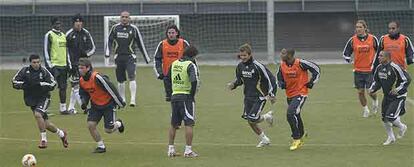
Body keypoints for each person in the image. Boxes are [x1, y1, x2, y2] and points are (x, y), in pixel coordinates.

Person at [12, 54, 68, 149]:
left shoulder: (44, 71)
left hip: (44, 97)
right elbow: (14, 82)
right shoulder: (24, 71)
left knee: (38, 114)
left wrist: (40, 84)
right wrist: (25, 85)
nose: (36, 64)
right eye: (34, 62)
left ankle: (44, 140)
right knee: (46, 124)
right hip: (31, 100)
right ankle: (62, 134)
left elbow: (53, 83)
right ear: (30, 63)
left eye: (38, 62)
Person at [226, 44, 276, 148]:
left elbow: (271, 78)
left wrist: (271, 94)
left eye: (245, 55)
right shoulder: (240, 66)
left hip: (259, 97)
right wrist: (233, 85)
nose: (243, 57)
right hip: (247, 97)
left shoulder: (258, 66)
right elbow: (240, 80)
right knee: (250, 120)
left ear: (250, 54)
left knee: (252, 118)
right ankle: (264, 139)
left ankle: (267, 117)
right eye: (241, 55)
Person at [78, 58, 126, 153]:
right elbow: (84, 93)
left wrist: (119, 101)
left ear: (88, 68)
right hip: (95, 106)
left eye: (82, 68)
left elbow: (111, 88)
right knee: (91, 125)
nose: (80, 70)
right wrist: (84, 102)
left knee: (108, 130)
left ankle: (119, 123)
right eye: (79, 68)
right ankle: (101, 146)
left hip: (108, 105)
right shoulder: (81, 81)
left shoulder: (97, 77)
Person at [277, 48, 320, 151]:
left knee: (290, 114)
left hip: (301, 93)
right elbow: (278, 78)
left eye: (283, 53)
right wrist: (281, 84)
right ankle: (301, 133)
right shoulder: (282, 65)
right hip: (290, 94)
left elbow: (316, 69)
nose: (281, 55)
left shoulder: (301, 63)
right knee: (296, 114)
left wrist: (312, 82)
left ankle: (296, 138)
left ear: (290, 55)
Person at [105, 11, 150, 107]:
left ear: (129, 18)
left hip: (130, 57)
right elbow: (109, 41)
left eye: (126, 17)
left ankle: (133, 99)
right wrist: (107, 53)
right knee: (120, 79)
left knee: (131, 76)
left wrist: (146, 57)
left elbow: (140, 43)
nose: (124, 18)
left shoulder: (134, 29)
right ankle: (122, 99)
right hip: (119, 57)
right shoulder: (115, 28)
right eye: (122, 17)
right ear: (120, 18)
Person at [369, 51, 411, 145]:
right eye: (378, 56)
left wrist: (398, 89)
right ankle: (391, 137)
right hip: (387, 96)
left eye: (381, 56)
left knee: (390, 117)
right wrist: (372, 89)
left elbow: (407, 79)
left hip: (398, 96)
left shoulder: (395, 67)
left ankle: (402, 127)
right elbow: (377, 81)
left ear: (387, 57)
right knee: (384, 119)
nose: (378, 57)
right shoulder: (379, 68)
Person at [165, 46, 200, 158]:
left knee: (174, 124)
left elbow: (167, 79)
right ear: (193, 56)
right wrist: (192, 94)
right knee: (189, 123)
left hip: (175, 96)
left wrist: (169, 93)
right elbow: (194, 80)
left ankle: (171, 149)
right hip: (186, 97)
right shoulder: (190, 65)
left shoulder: (174, 63)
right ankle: (188, 150)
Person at [343, 20, 379, 117]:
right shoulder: (352, 40)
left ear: (365, 28)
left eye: (360, 27)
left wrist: (376, 64)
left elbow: (379, 51)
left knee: (370, 91)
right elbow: (346, 53)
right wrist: (348, 59)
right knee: (360, 92)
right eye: (357, 27)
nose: (358, 29)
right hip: (358, 70)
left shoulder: (373, 39)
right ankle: (365, 109)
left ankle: (375, 101)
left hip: (370, 70)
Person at [66, 14, 96, 114]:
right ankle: (85, 108)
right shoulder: (69, 34)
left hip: (85, 65)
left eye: (80, 22)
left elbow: (93, 47)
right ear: (73, 23)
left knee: (86, 85)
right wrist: (70, 64)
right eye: (76, 22)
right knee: (75, 85)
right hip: (74, 64)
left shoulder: (86, 33)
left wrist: (86, 54)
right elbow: (65, 51)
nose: (78, 24)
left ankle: (71, 107)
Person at [154, 25, 190, 101]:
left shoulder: (183, 43)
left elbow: (191, 59)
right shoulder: (162, 44)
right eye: (169, 33)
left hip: (182, 75)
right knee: (170, 98)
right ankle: (174, 112)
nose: (171, 34)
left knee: (180, 96)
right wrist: (160, 72)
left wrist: (191, 72)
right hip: (167, 75)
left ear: (177, 33)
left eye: (173, 32)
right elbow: (157, 59)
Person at [44, 17, 71, 114]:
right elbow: (46, 51)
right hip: (54, 65)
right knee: (48, 87)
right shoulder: (49, 35)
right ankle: (44, 109)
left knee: (63, 87)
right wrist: (50, 65)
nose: (58, 25)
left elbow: (66, 51)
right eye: (56, 24)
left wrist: (69, 64)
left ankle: (63, 108)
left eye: (59, 23)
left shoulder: (63, 35)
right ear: (52, 24)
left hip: (63, 66)